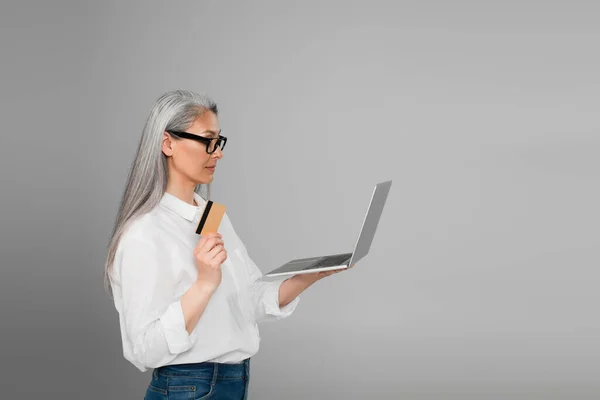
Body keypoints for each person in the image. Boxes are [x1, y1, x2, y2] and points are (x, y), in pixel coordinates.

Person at [104, 90, 345, 399]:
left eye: (219, 142)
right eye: (208, 141)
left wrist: (309, 276)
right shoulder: (144, 233)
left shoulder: (211, 216)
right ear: (168, 144)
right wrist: (204, 284)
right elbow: (144, 350)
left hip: (233, 382)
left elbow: (248, 298)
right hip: (187, 388)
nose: (218, 153)